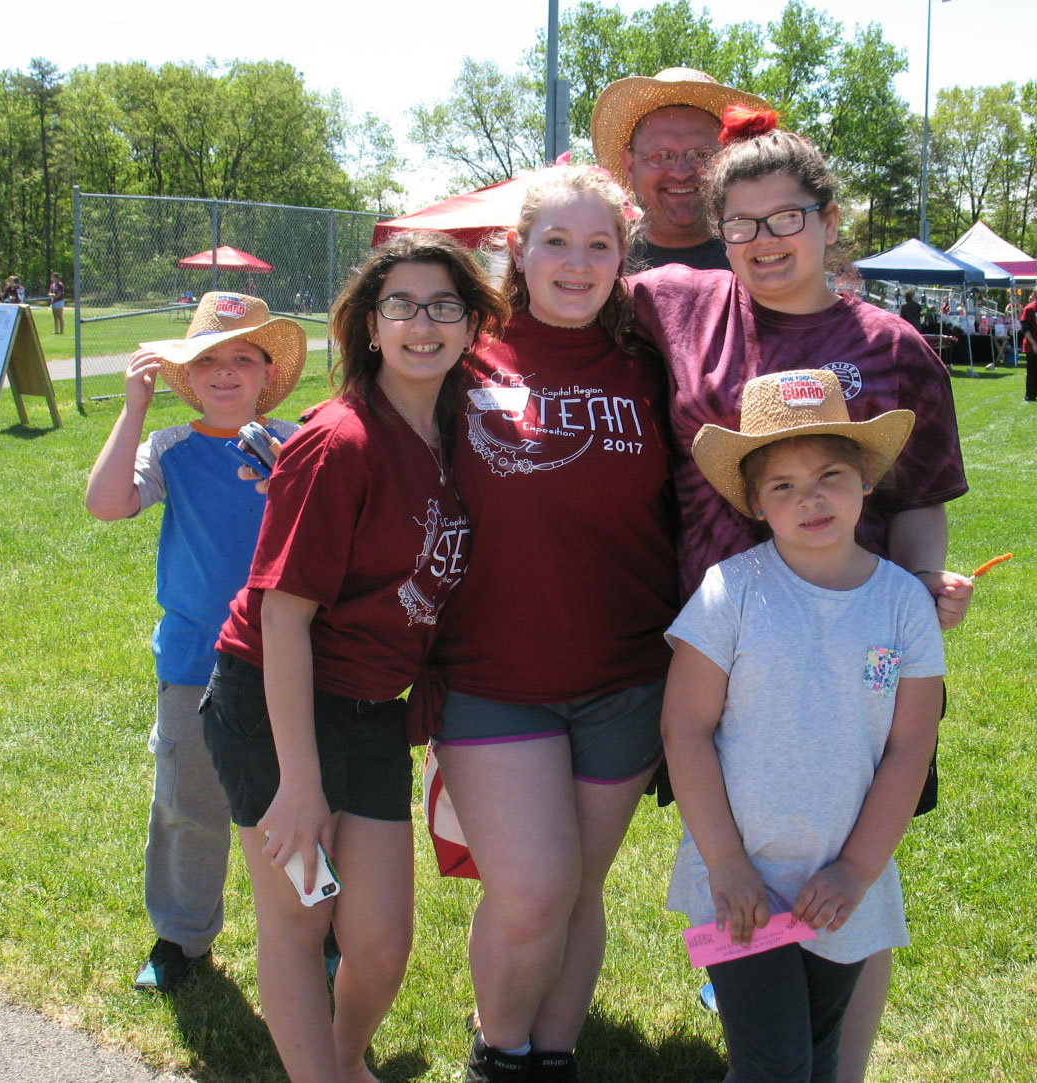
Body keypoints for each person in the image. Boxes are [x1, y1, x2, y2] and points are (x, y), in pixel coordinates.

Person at [628, 107, 971, 1083]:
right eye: (740, 223)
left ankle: (831, 1068)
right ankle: (753, 1004)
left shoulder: (894, 347)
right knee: (729, 850)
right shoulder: (680, 305)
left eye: (785, 218)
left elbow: (919, 502)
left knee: (853, 860)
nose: (763, 241)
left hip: (855, 653)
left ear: (828, 222)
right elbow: (543, 315)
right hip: (722, 648)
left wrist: (916, 594)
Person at [200, 233, 508, 1083]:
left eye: (444, 305)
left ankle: (341, 1061)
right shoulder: (338, 442)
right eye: (400, 305)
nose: (422, 322)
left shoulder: (457, 431)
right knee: (302, 917)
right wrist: (298, 784)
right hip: (273, 705)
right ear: (369, 327)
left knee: (378, 940)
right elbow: (284, 618)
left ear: (470, 325)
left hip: (370, 712)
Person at [430, 165, 679, 1083]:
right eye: (557, 242)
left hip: (627, 674)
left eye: (600, 244)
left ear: (624, 258)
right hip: (492, 673)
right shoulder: (464, 357)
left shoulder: (650, 364)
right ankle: (497, 1054)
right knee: (532, 885)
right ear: (517, 251)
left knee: (578, 885)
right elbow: (371, 437)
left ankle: (552, 1055)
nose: (577, 263)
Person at [662, 368, 945, 1083]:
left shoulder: (903, 604)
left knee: (816, 1062)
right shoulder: (729, 592)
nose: (809, 497)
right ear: (754, 503)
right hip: (737, 881)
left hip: (843, 883)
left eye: (828, 475)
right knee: (774, 1065)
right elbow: (683, 732)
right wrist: (725, 863)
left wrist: (857, 868)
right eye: (781, 485)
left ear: (865, 482)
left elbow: (911, 745)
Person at [85, 292, 306, 992]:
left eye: (243, 358)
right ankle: (182, 935)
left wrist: (286, 483)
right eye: (207, 359)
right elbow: (105, 502)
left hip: (290, 659)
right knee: (188, 804)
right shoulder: (170, 448)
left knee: (298, 802)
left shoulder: (295, 440)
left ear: (266, 373)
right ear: (186, 375)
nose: (225, 372)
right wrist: (133, 409)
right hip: (195, 662)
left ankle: (316, 926)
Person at [591, 67, 769, 271]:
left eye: (702, 155)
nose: (681, 172)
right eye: (662, 156)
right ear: (630, 164)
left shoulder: (760, 262)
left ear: (726, 162)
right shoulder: (600, 270)